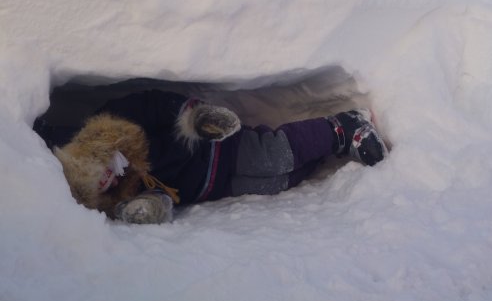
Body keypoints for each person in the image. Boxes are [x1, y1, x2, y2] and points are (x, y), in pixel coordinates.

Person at [35, 90, 387, 224]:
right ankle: (323, 156)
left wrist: (198, 118)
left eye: (98, 173)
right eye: (100, 188)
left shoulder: (117, 120)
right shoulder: (117, 190)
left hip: (215, 148)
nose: (107, 181)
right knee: (280, 180)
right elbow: (157, 192)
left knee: (273, 155)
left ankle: (342, 128)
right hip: (213, 186)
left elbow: (160, 105)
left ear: (91, 151)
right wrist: (150, 208)